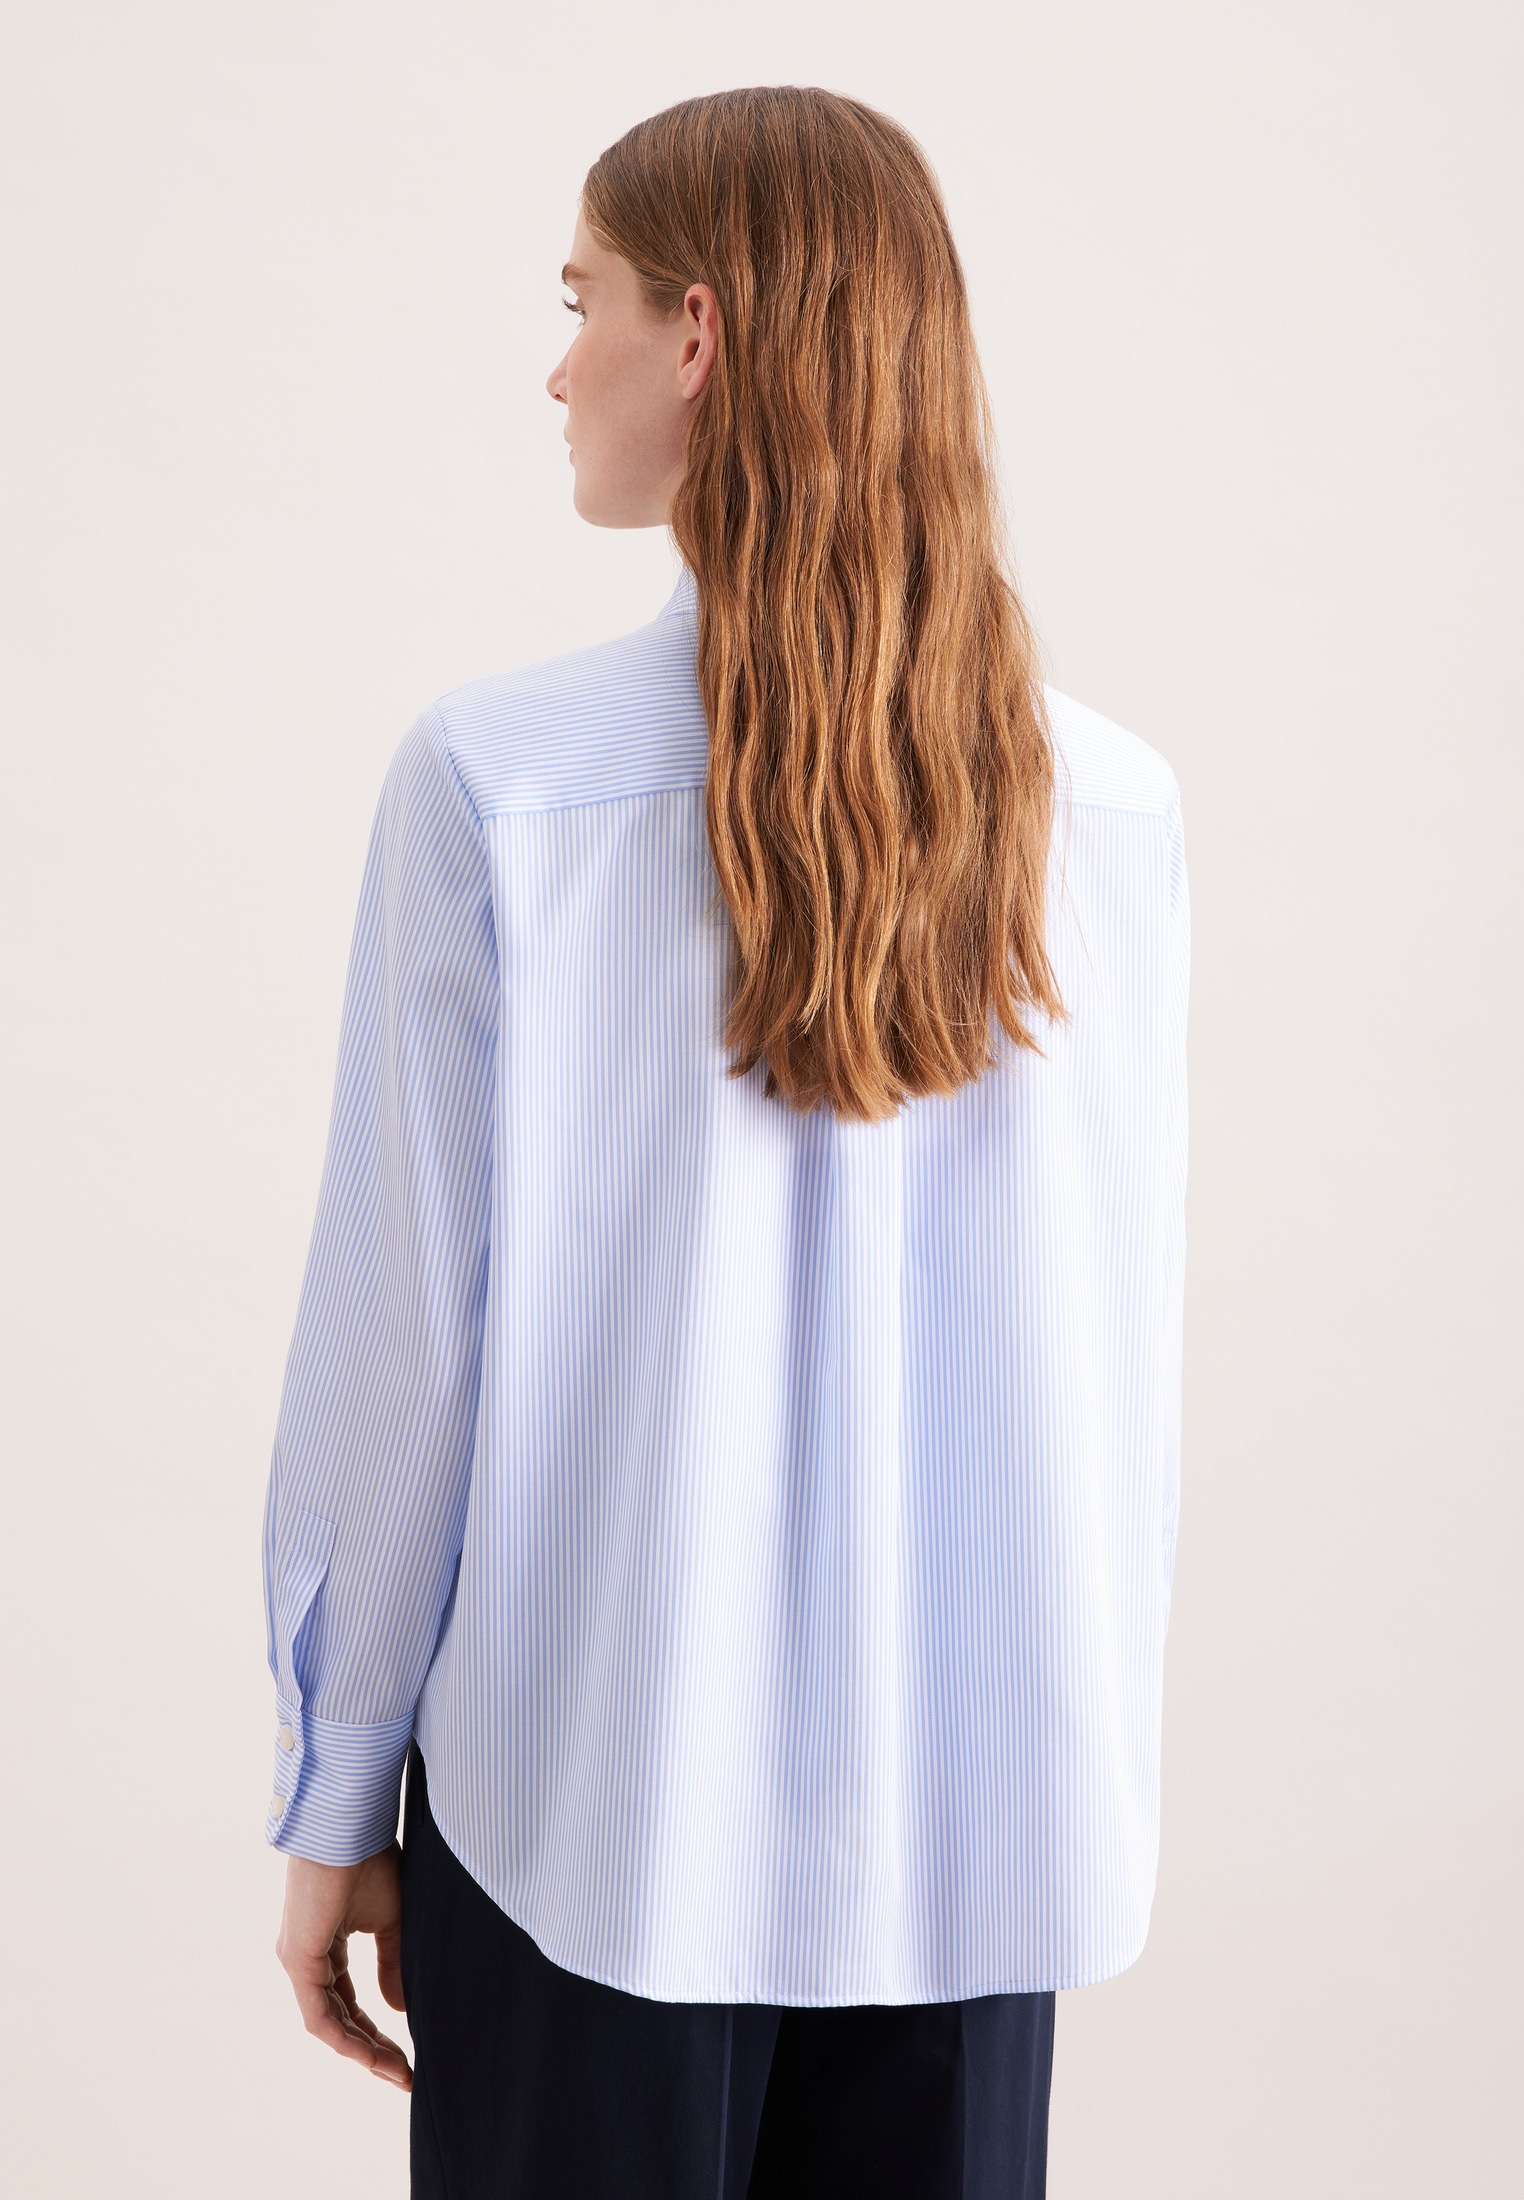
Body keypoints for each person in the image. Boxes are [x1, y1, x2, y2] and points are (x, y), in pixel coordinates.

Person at [262, 85, 1190, 2200]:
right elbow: (1119, 1357)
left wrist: (333, 1792)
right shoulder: (1115, 811)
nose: (557, 364)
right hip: (979, 1848)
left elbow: (408, 1360)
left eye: (579, 297)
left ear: (698, 332)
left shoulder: (501, 786)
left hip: (594, 1818)